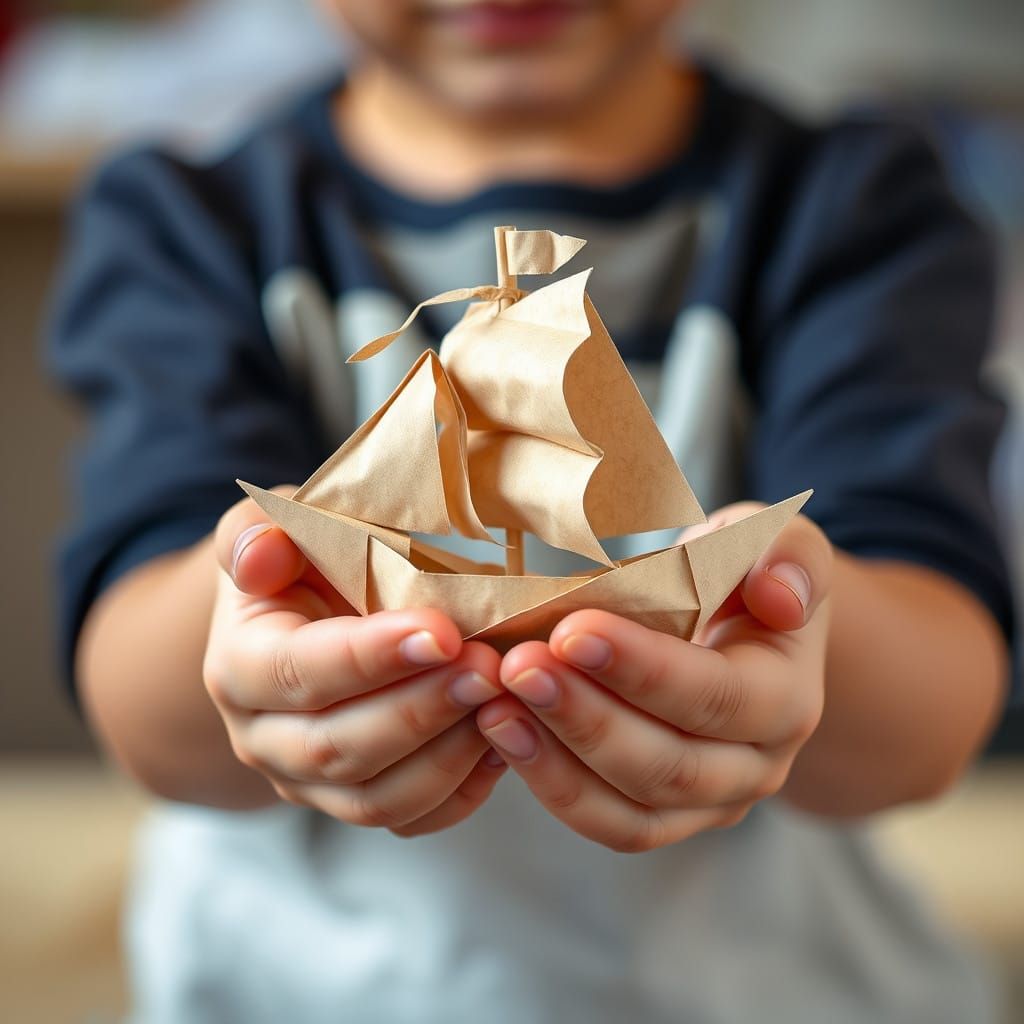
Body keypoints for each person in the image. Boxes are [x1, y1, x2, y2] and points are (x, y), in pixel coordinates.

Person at [49, 2, 1014, 1021]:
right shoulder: (187, 224)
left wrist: (791, 610)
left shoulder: (854, 208)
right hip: (281, 988)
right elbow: (140, 710)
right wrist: (254, 604)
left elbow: (931, 707)